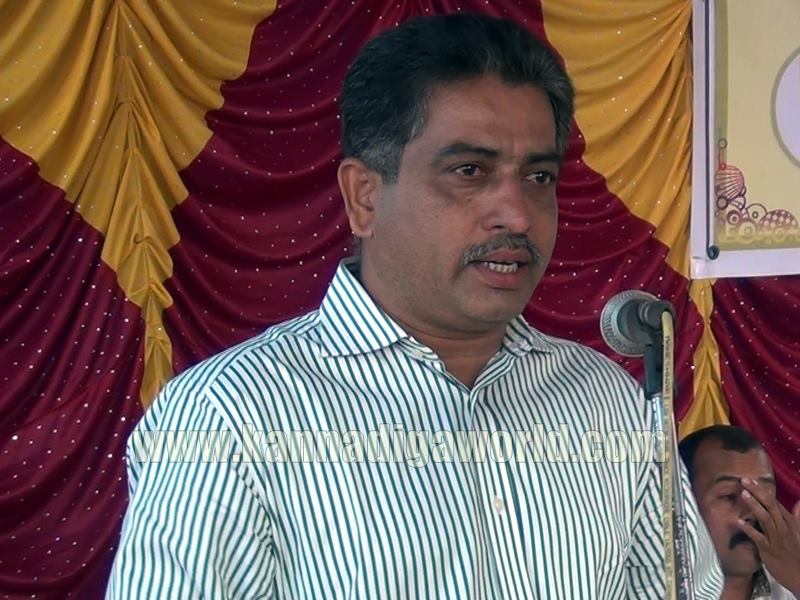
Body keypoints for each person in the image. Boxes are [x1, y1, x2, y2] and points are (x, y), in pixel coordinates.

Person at [106, 14, 723, 598]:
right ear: (364, 197)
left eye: (538, 177)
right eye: (469, 171)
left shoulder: (606, 400)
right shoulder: (229, 417)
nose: (516, 214)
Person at [679, 425, 800, 599]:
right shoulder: (654, 586)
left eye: (763, 496)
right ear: (686, 504)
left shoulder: (789, 588)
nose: (753, 513)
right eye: (729, 496)